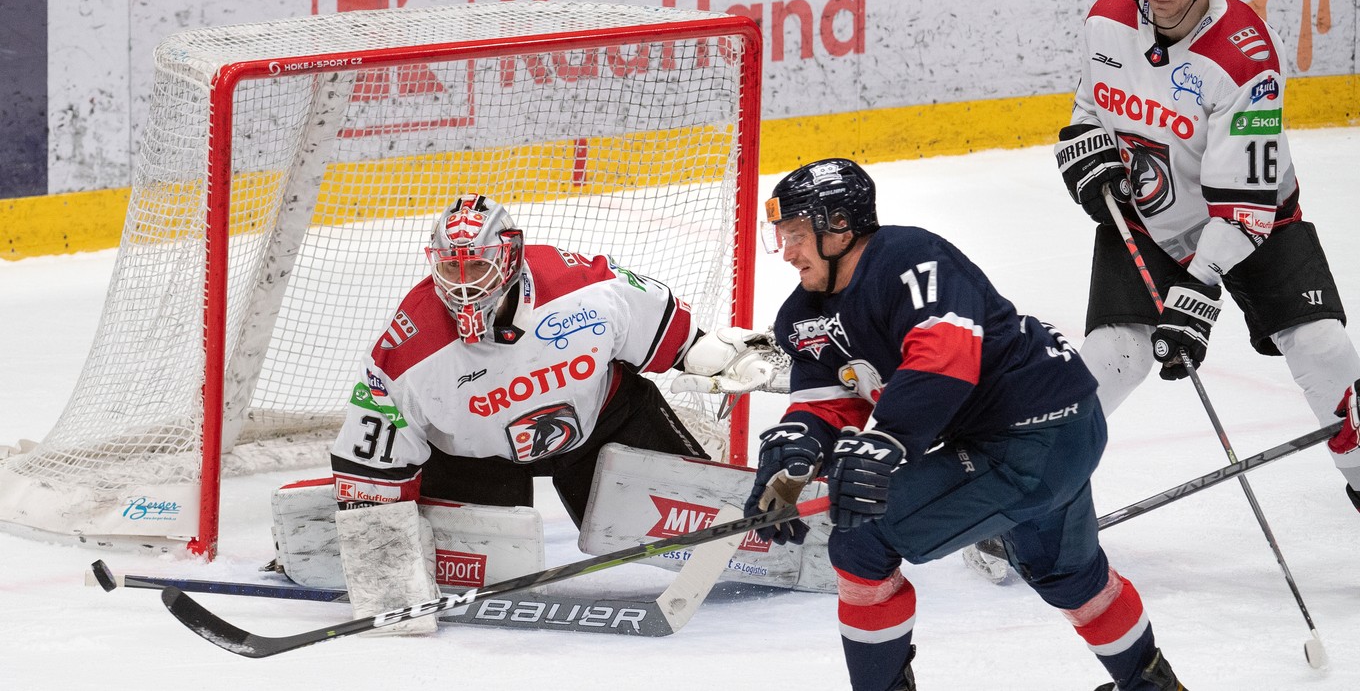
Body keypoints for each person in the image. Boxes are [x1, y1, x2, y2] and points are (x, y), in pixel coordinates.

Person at [744, 158, 1186, 691]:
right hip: (1054, 427)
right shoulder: (805, 314)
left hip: (1030, 435)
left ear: (839, 225)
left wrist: (883, 443)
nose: (787, 253)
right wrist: (794, 452)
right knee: (1070, 576)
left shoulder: (909, 258)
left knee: (862, 543)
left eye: (795, 234)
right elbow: (828, 402)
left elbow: (942, 357)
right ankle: (1155, 687)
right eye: (781, 237)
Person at [328, 192, 771, 630]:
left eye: (478, 265)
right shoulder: (406, 350)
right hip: (477, 460)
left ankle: (760, 535)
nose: (463, 284)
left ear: (509, 257)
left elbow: (676, 335)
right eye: (450, 267)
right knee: (499, 579)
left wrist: (721, 357)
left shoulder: (587, 288)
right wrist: (384, 574)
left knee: (706, 534)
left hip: (603, 427)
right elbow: (372, 466)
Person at [1054, 0, 1360, 508]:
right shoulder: (1106, 20)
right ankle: (1025, 491)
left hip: (1259, 223)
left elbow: (1244, 208)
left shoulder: (1245, 56)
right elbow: (1090, 106)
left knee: (1323, 348)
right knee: (1113, 355)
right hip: (1147, 219)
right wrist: (1084, 147)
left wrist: (1195, 295)